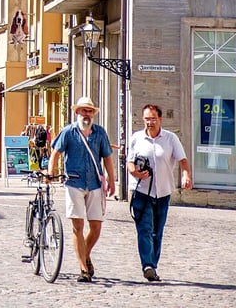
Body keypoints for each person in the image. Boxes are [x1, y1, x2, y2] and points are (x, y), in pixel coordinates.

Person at [47, 96, 116, 283]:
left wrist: (112, 179)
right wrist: (50, 173)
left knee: (96, 226)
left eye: (90, 111)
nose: (87, 114)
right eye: (84, 110)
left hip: (94, 183)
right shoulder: (68, 132)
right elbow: (56, 153)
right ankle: (83, 269)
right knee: (77, 226)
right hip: (74, 183)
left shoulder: (100, 133)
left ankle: (85, 253)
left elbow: (107, 157)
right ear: (77, 112)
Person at [127, 104, 192, 282]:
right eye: (147, 119)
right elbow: (130, 162)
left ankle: (153, 266)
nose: (150, 122)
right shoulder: (136, 138)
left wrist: (186, 175)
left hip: (163, 192)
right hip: (141, 191)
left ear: (160, 119)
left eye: (153, 119)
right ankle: (147, 265)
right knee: (145, 229)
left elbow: (183, 160)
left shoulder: (170, 138)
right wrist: (135, 173)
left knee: (157, 231)